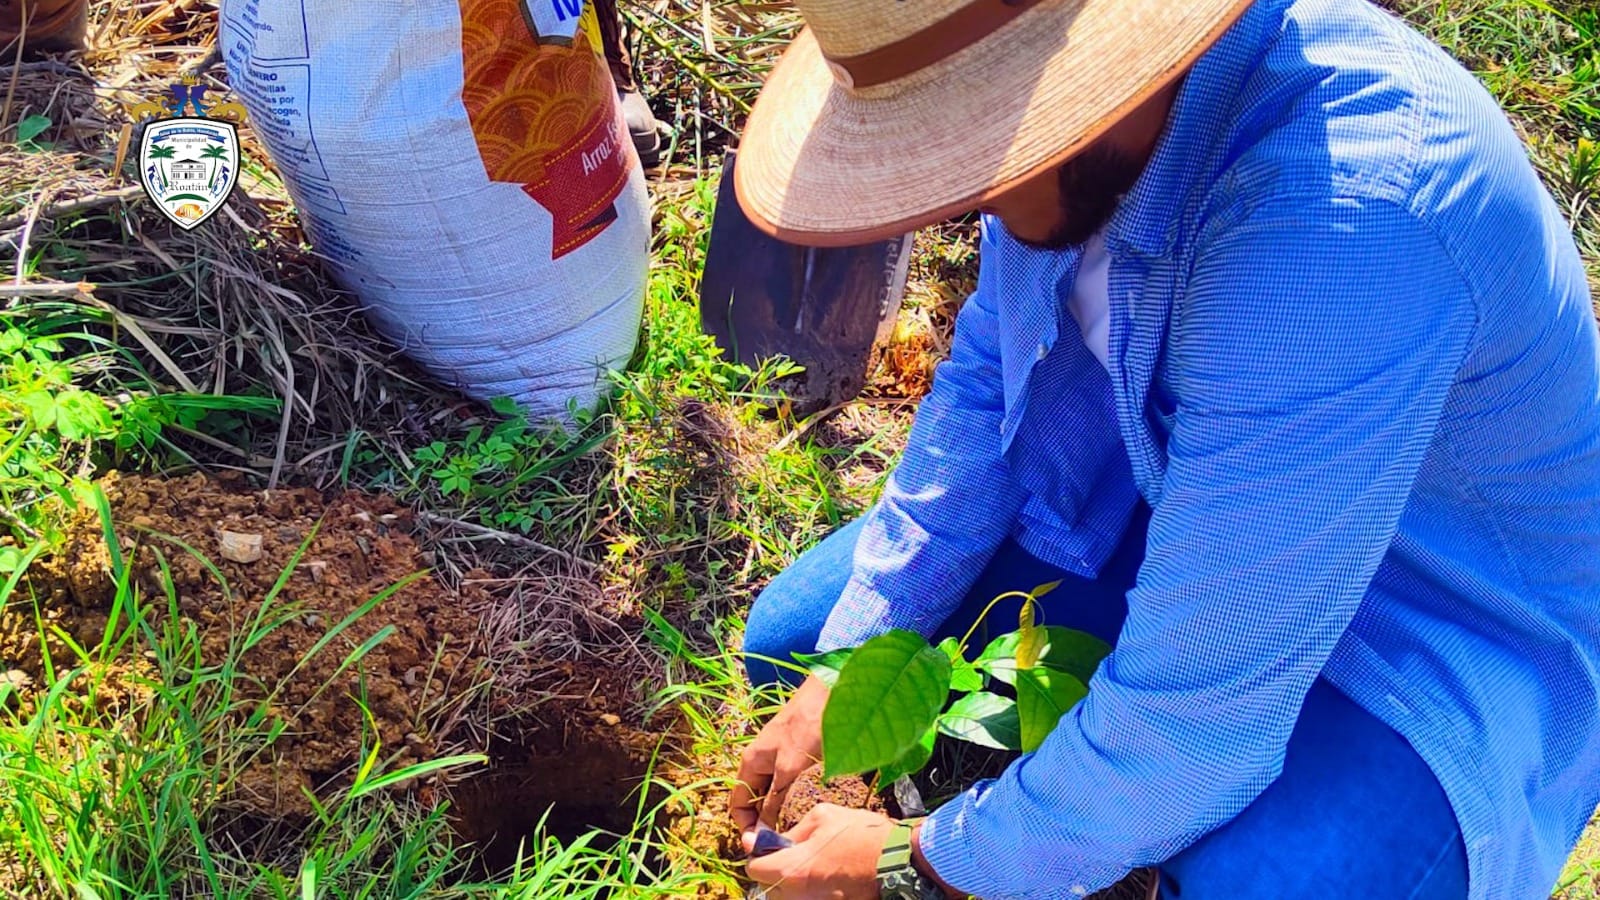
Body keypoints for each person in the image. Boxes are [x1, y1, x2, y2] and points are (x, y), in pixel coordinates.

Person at [728, 0, 1600, 897]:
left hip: (1430, 621)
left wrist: (914, 865)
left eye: (973, 139)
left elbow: (1198, 720)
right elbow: (989, 382)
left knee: (1261, 883)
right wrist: (856, 655)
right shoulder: (1059, 140)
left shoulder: (1349, 211)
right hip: (1186, 489)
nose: (963, 195)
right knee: (797, 643)